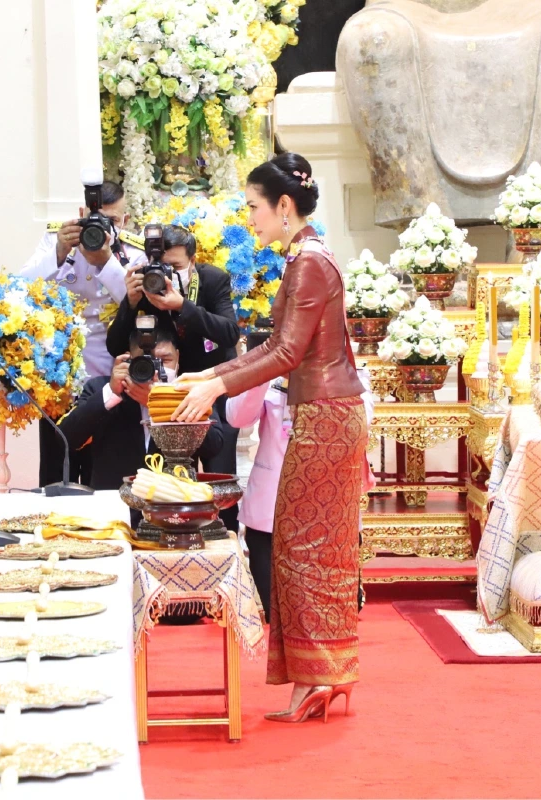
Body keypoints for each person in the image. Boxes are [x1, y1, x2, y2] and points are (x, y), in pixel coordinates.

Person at [172, 153, 366, 724]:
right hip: (324, 411)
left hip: (327, 414)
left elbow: (286, 353)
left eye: (255, 206)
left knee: (307, 550)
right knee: (303, 548)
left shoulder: (309, 263)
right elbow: (277, 345)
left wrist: (215, 389)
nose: (250, 216)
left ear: (284, 206)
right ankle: (320, 676)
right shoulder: (306, 257)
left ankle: (323, 675)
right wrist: (209, 376)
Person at [107, 224, 241, 529]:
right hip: (161, 386)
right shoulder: (146, 281)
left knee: (219, 467)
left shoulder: (212, 279)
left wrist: (183, 304)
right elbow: (115, 346)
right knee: (167, 470)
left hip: (211, 385)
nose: (166, 276)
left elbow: (230, 332)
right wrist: (129, 304)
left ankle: (225, 531)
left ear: (193, 262)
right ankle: (164, 525)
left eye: (176, 268)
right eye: (162, 266)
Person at [227, 359, 377, 619]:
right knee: (280, 616)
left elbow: (362, 422)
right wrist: (265, 370)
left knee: (335, 615)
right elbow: (237, 417)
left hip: (330, 514)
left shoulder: (348, 368)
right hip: (271, 514)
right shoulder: (267, 369)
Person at [20, 180, 144, 488]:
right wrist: (61, 251)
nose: (104, 228)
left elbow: (135, 304)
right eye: (97, 219)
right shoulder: (56, 239)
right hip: (57, 375)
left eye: (113, 221)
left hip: (105, 373)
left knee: (98, 470)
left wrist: (106, 261)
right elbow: (21, 287)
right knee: (55, 469)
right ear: (81, 213)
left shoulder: (133, 253)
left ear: (124, 221)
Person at [56, 327, 224, 493]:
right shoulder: (101, 388)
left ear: (178, 358)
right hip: (116, 504)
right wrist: (112, 392)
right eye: (146, 363)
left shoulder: (193, 393)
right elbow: (68, 438)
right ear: (129, 361)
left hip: (171, 504)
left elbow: (213, 446)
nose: (156, 370)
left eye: (164, 361)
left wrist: (161, 404)